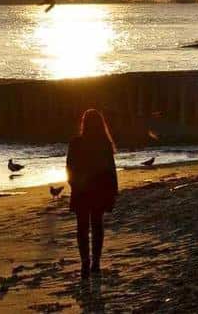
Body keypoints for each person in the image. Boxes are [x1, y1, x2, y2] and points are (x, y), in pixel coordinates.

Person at [66, 108, 118, 278]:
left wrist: (73, 184)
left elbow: (69, 167)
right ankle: (95, 262)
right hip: (99, 189)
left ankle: (85, 263)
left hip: (81, 189)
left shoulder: (75, 143)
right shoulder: (105, 143)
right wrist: (113, 190)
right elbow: (111, 169)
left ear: (84, 124)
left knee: (82, 227)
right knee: (97, 225)